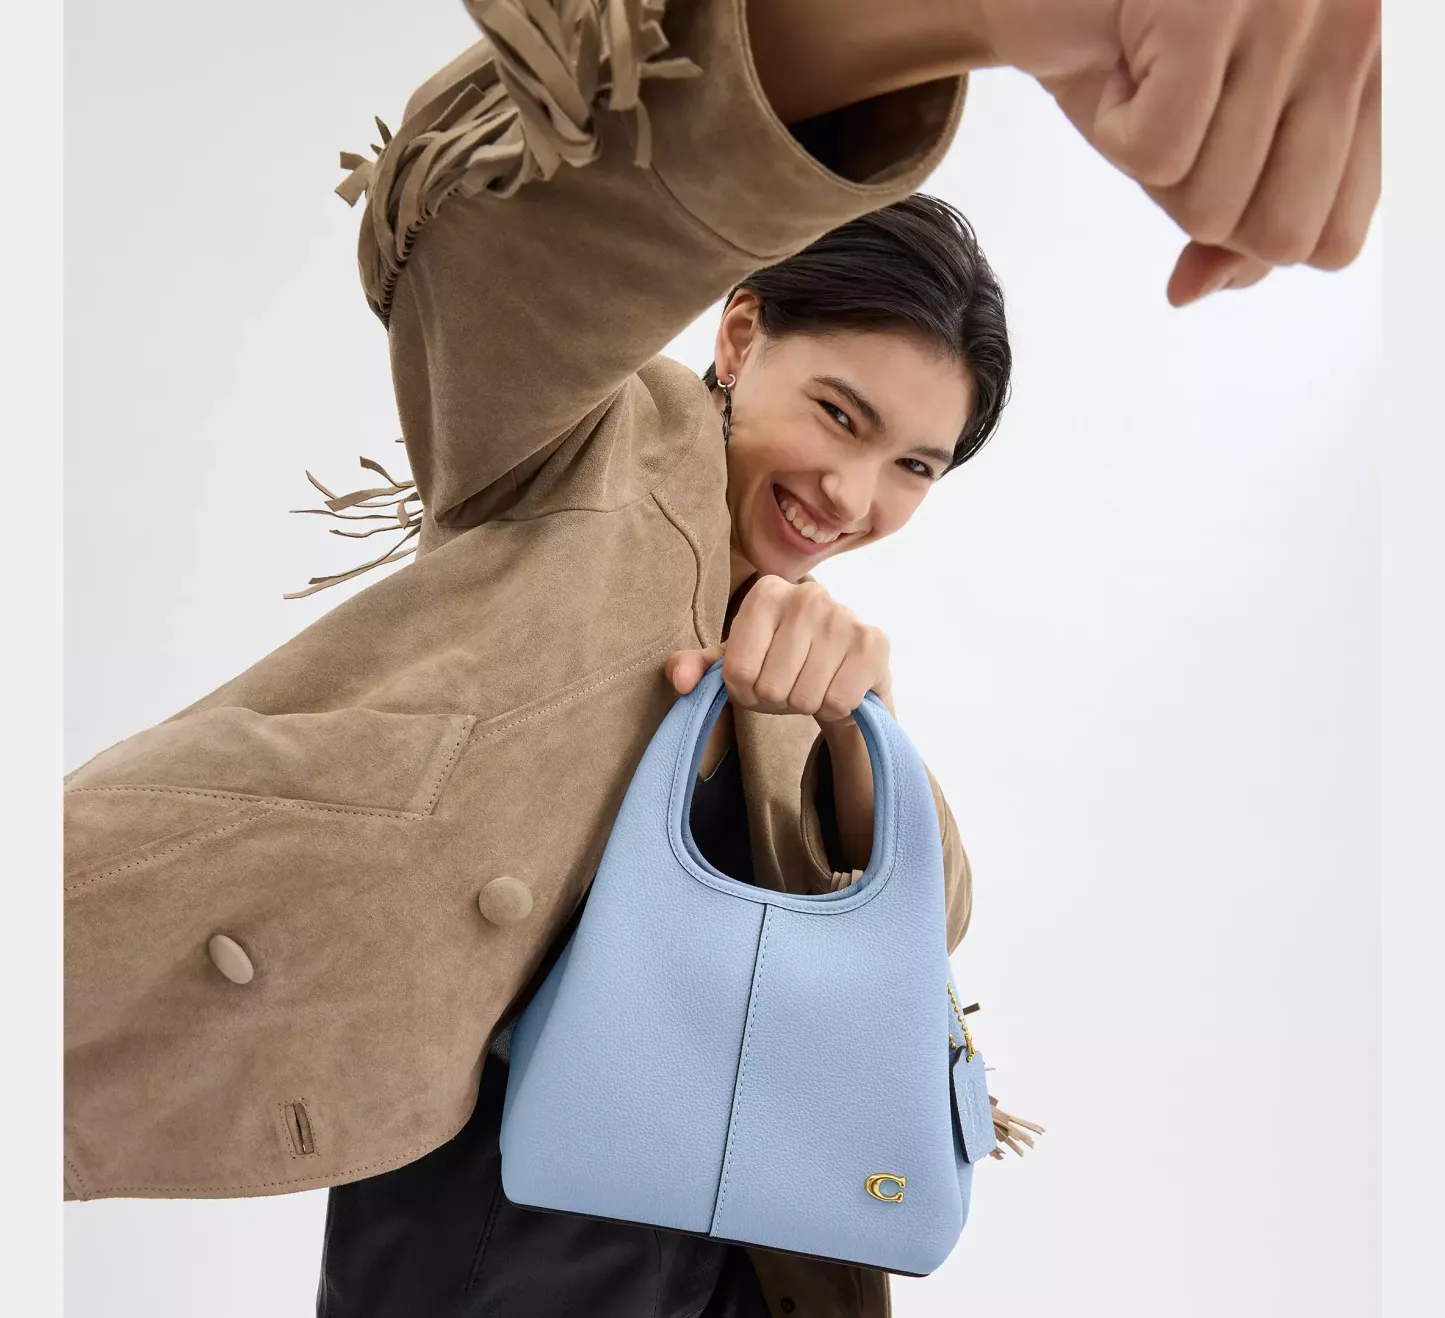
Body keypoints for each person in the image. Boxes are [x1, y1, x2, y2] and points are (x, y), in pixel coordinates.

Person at [63, 3, 1379, 1318]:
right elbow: (504, 242)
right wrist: (975, 19)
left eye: (914, 466)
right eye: (841, 414)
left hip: (748, 1245)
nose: (853, 494)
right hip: (492, 1218)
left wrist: (851, 726)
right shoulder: (581, 444)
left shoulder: (807, 649)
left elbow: (930, 919)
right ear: (741, 339)